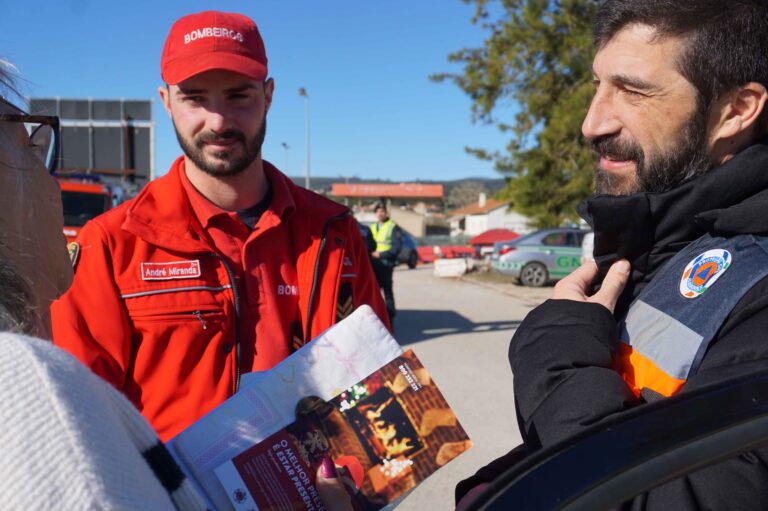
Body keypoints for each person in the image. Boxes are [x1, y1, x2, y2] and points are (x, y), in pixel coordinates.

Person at [456, 1, 768, 509]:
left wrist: (558, 362)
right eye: (597, 85)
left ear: (736, 109)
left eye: (633, 91)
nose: (591, 122)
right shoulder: (670, 240)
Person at [50, 10, 388, 442]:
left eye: (238, 95)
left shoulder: (334, 233)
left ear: (268, 96)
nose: (218, 121)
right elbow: (76, 422)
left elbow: (376, 387)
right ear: (166, 100)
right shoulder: (112, 244)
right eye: (194, 98)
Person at [370, 202, 402, 324]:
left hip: (386, 264)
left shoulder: (392, 227)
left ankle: (390, 319)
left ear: (386, 213)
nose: (380, 214)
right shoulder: (372, 227)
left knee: (387, 293)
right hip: (373, 264)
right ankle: (376, 319)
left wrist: (381, 254)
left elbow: (396, 247)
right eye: (378, 211)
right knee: (373, 294)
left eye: (382, 211)